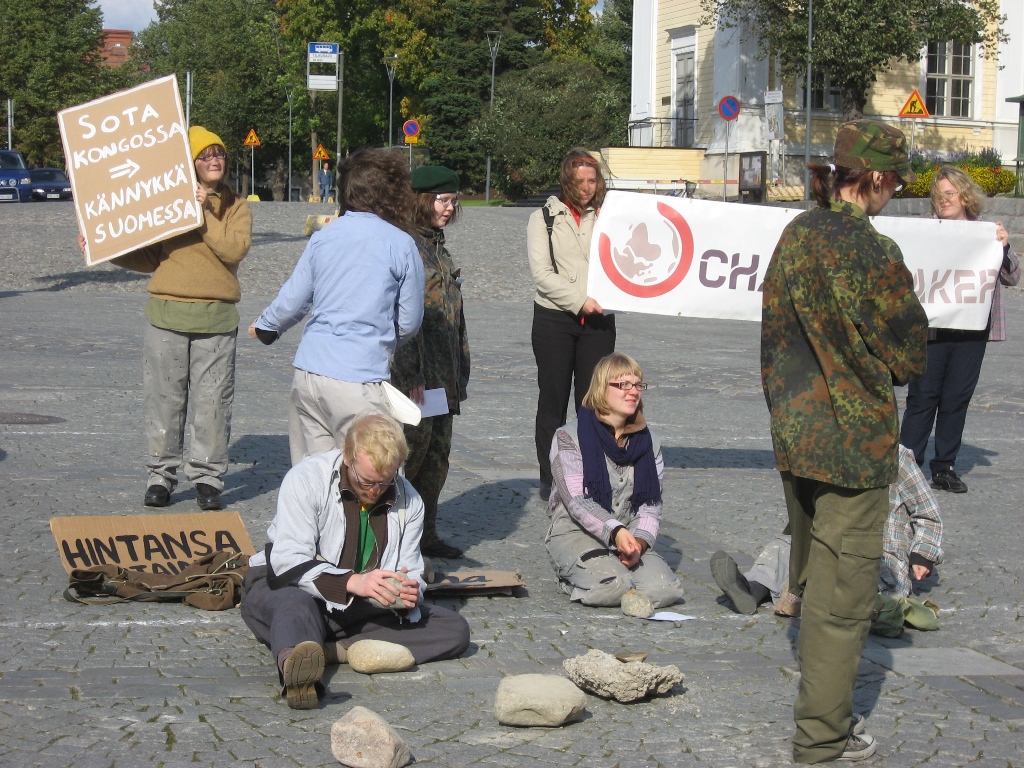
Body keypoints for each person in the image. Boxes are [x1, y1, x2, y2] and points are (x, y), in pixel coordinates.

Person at [761, 120, 927, 763]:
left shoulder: (796, 235)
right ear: (877, 179)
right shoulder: (873, 251)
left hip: (798, 434)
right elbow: (910, 354)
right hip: (854, 447)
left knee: (812, 582)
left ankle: (822, 719)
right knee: (841, 598)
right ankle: (822, 738)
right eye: (895, 184)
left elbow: (774, 335)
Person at [241, 412, 471, 709]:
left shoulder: (410, 500)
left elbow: (410, 567)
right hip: (292, 586)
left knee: (454, 629)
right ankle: (296, 671)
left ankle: (332, 649)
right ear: (348, 458)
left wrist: (406, 590)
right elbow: (287, 561)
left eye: (384, 482)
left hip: (362, 606)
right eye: (366, 481)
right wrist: (352, 582)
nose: (374, 491)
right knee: (294, 606)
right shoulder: (306, 479)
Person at [80, 126, 252, 511]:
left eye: (219, 154)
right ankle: (161, 476)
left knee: (212, 403)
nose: (213, 161)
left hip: (217, 320)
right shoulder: (168, 203)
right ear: (190, 163)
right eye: (205, 155)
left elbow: (233, 249)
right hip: (166, 316)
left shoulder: (236, 206)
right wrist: (105, 248)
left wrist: (203, 210)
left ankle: (208, 478)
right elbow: (148, 258)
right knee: (165, 402)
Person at [249, 148, 424, 465]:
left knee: (315, 476)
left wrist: (266, 327)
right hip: (358, 379)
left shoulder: (323, 237)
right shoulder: (401, 244)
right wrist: (381, 340)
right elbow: (409, 322)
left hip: (310, 374)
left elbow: (295, 298)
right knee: (373, 474)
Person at [899, 166, 1021, 494]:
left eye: (950, 194)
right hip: (932, 328)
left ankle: (945, 467)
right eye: (939, 196)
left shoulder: (986, 233)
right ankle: (906, 468)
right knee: (922, 397)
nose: (944, 201)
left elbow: (1012, 277)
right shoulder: (925, 230)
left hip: (971, 330)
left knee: (956, 399)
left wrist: (1004, 248)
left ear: (964, 196)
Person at [712, 445, 943, 616]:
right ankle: (752, 590)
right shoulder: (825, 455)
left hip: (876, 555)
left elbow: (928, 513)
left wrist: (922, 554)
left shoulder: (897, 458)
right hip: (825, 545)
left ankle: (808, 594)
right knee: (786, 547)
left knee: (866, 584)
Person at [545, 353, 686, 609]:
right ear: (601, 388)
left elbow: (651, 504)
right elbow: (577, 500)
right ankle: (570, 579)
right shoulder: (568, 437)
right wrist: (615, 532)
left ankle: (618, 569)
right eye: (623, 385)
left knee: (666, 590)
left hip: (627, 533)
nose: (633, 391)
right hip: (576, 531)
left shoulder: (649, 441)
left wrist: (639, 543)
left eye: (637, 385)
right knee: (614, 586)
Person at [390, 166, 470, 559]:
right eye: (443, 200)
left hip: (443, 373)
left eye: (454, 200)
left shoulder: (437, 244)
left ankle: (426, 532)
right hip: (416, 374)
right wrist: (411, 373)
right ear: (421, 199)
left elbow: (453, 314)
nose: (449, 208)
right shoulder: (406, 244)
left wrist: (460, 371)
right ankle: (394, 535)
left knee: (437, 457)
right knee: (409, 454)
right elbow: (403, 320)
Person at [528, 148, 616, 501]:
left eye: (592, 180)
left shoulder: (610, 216)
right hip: (554, 320)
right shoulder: (544, 218)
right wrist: (580, 301)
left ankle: (589, 472)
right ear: (567, 180)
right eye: (579, 181)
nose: (586, 187)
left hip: (599, 324)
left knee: (592, 403)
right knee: (553, 401)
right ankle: (551, 478)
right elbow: (542, 276)